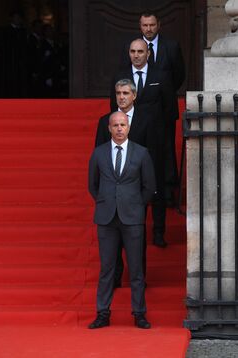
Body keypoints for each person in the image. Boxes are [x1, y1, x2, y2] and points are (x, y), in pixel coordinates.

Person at [88, 111, 156, 329]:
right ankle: (102, 313)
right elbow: (93, 185)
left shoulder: (142, 153)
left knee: (135, 269)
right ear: (109, 128)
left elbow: (149, 186)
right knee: (107, 268)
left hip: (133, 218)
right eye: (115, 125)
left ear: (128, 128)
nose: (119, 129)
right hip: (106, 218)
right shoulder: (98, 153)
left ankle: (139, 313)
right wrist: (106, 202)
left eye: (122, 125)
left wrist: (136, 205)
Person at [110, 38, 176, 249]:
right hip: (129, 139)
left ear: (148, 53)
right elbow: (115, 110)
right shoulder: (120, 76)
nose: (136, 55)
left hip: (154, 140)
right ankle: (129, 227)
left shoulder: (161, 75)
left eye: (140, 51)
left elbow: (170, 110)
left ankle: (158, 231)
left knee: (154, 186)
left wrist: (162, 137)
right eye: (132, 51)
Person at [117, 10, 185, 206]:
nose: (148, 29)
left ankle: (167, 190)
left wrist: (163, 91)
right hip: (137, 111)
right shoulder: (131, 48)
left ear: (159, 25)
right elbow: (124, 74)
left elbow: (178, 75)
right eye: (145, 25)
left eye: (152, 25)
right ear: (140, 27)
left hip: (163, 109)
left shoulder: (171, 47)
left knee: (165, 150)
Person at [96, 78, 159, 288]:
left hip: (136, 191)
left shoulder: (146, 120)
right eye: (118, 93)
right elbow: (97, 158)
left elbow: (152, 155)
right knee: (111, 241)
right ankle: (115, 277)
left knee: (136, 240)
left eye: (125, 93)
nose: (121, 97)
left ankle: (138, 279)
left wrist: (142, 198)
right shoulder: (104, 121)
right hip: (111, 193)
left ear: (134, 96)